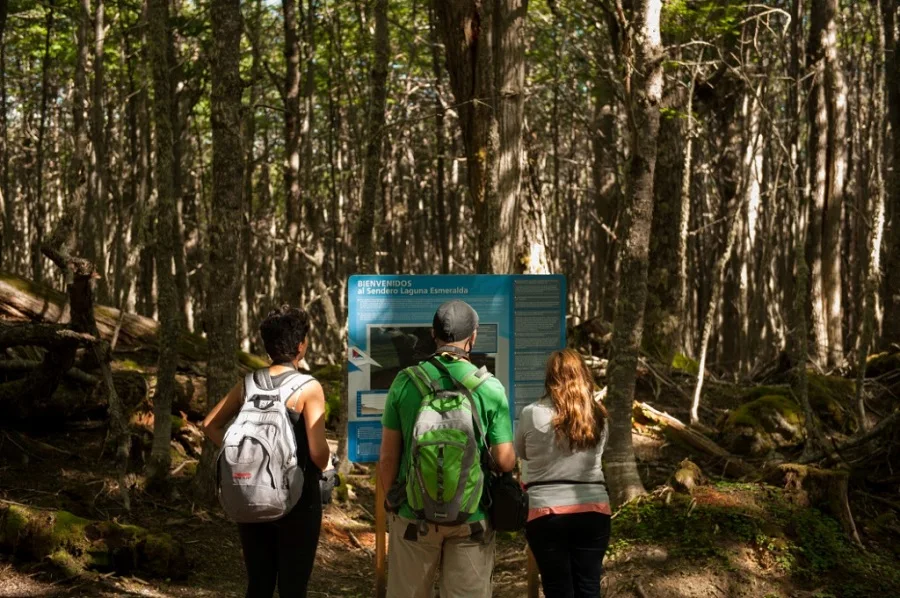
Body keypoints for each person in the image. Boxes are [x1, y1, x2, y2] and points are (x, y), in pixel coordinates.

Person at [378, 300, 516, 598]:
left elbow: (388, 457)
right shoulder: (489, 387)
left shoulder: (405, 381)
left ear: (433, 334)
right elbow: (505, 461)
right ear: (473, 337)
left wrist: (392, 504)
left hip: (413, 515)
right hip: (471, 517)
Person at [201, 305, 330, 598]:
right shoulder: (308, 387)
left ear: (268, 345)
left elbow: (209, 425)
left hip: (251, 491)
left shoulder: (249, 383)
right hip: (298, 498)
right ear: (300, 346)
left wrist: (243, 456)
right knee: (292, 586)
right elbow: (319, 455)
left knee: (258, 582)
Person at [515, 349, 611, 598]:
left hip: (546, 512)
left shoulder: (531, 413)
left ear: (549, 378)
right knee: (589, 587)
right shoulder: (598, 416)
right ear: (584, 376)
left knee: (558, 588)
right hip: (594, 509)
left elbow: (521, 453)